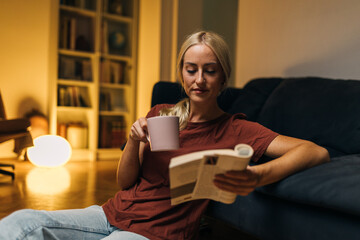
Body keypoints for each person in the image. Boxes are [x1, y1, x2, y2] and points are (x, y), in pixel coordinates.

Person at [0, 31, 329, 240]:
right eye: (191, 69)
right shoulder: (162, 113)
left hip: (160, 232)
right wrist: (132, 140)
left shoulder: (236, 128)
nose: (199, 79)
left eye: (209, 70)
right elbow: (125, 183)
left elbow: (315, 152)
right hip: (111, 213)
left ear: (223, 76)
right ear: (181, 73)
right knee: (22, 221)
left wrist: (257, 175)